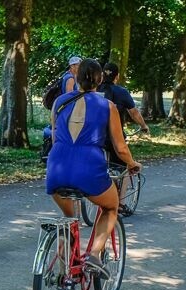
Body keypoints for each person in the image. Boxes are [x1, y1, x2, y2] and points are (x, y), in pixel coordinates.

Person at [45, 58, 141, 278]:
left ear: (76, 78)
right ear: (100, 80)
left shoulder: (59, 101)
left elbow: (54, 134)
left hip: (57, 166)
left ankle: (62, 267)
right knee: (111, 207)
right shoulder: (107, 106)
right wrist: (132, 163)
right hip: (88, 167)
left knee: (70, 221)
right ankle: (94, 256)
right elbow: (120, 147)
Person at [99, 62, 149, 167]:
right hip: (114, 139)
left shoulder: (95, 91)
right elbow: (134, 113)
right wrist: (143, 126)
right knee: (127, 167)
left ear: (102, 75)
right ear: (117, 76)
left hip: (96, 139)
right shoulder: (122, 92)